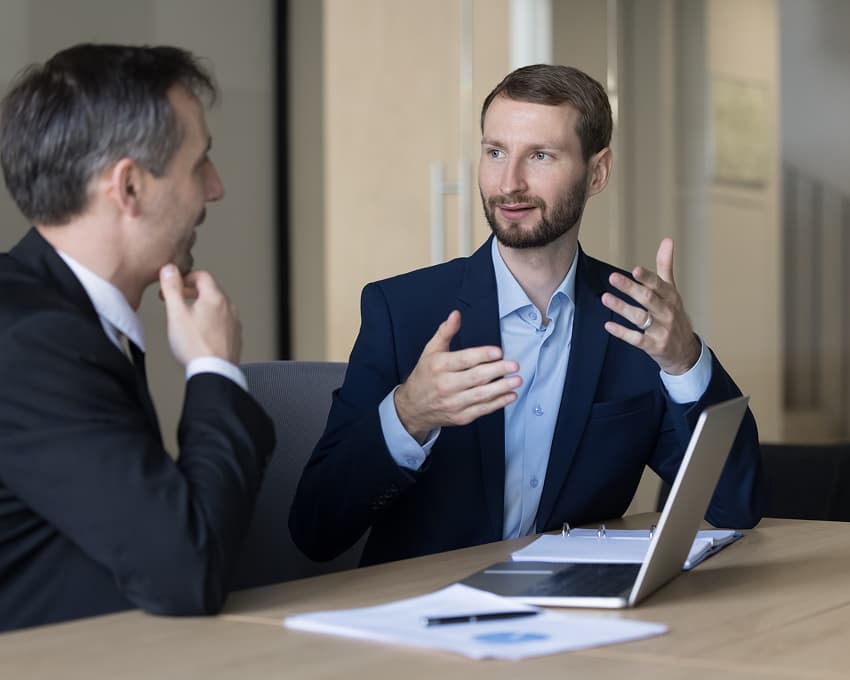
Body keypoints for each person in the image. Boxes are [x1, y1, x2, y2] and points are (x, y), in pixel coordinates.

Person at [289, 64, 765, 566]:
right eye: (495, 152)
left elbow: (736, 504)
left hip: (575, 614)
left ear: (597, 172)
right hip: (426, 617)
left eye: (539, 155)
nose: (508, 183)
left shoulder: (637, 320)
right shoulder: (401, 311)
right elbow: (315, 528)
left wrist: (685, 360)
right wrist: (409, 414)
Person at [0, 44, 275, 631]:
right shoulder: (34, 343)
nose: (216, 188)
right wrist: (214, 370)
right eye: (200, 163)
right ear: (128, 187)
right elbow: (186, 573)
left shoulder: (48, 312)